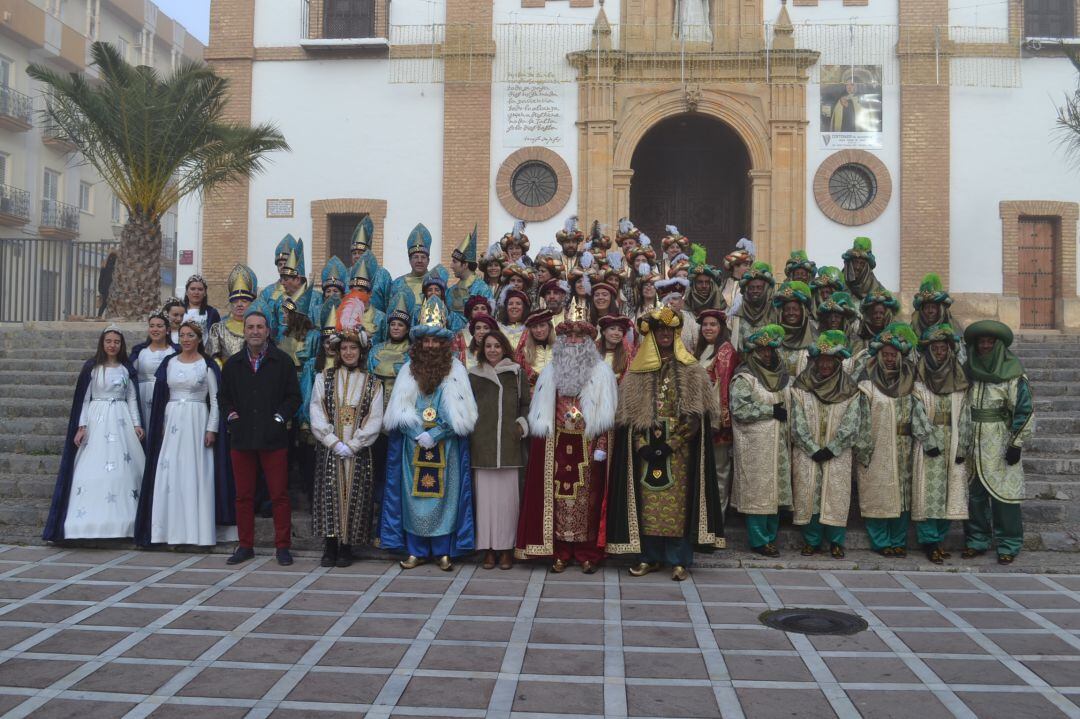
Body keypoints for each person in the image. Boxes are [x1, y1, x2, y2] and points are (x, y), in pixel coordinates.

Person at [607, 307, 724, 580]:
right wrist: (640, 445)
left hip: (679, 449)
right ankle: (649, 557)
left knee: (678, 504)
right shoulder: (636, 371)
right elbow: (628, 415)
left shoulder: (691, 369)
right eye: (659, 331)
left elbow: (697, 415)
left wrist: (673, 442)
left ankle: (678, 558)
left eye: (668, 331)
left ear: (675, 334)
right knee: (646, 504)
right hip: (645, 447)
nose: (663, 335)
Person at [381, 296, 478, 570]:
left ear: (444, 343)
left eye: (436, 341)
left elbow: (463, 414)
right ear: (420, 343)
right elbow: (399, 409)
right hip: (413, 447)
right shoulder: (407, 372)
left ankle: (442, 551)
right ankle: (416, 550)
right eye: (426, 340)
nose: (431, 345)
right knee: (414, 497)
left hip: (445, 446)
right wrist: (416, 433)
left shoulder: (457, 370)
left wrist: (435, 435)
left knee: (445, 497)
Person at [516, 312, 617, 573]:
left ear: (588, 341)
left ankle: (586, 552)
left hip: (588, 445)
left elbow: (607, 416)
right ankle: (560, 552)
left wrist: (602, 446)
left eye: (579, 336)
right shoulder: (550, 372)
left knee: (588, 502)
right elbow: (541, 411)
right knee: (558, 500)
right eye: (568, 336)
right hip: (557, 445)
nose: (573, 340)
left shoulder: (602, 372)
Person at [135, 321, 234, 547]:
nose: (187, 339)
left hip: (197, 418)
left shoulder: (207, 366)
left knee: (194, 471)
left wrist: (212, 428)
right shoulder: (169, 364)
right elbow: (162, 397)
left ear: (199, 339)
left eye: (191, 335)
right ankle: (167, 531)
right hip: (172, 421)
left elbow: (216, 400)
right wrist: (160, 425)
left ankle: (196, 532)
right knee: (170, 472)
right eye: (183, 335)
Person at [43, 326, 145, 541]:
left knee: (124, 469)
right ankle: (85, 522)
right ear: (102, 343)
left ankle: (123, 523)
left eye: (116, 341)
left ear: (121, 345)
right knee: (90, 469)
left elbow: (132, 398)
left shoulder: (126, 369)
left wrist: (137, 424)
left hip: (120, 418)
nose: (112, 345)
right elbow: (85, 399)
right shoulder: (92, 368)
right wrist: (82, 426)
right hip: (97, 419)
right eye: (108, 341)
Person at [219, 310, 302, 566]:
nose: (255, 331)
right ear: (244, 331)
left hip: (273, 438)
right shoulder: (233, 364)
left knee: (279, 495)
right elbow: (224, 398)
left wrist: (279, 419)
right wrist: (233, 417)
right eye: (250, 327)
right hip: (242, 438)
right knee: (243, 496)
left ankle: (282, 547)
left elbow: (293, 397)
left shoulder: (282, 361)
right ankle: (245, 545)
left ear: (268, 331)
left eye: (260, 327)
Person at [309, 298, 385, 568]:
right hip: (331, 447)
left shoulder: (373, 383)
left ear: (361, 351)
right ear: (337, 350)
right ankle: (329, 545)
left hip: (358, 449)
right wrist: (331, 440)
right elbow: (316, 410)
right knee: (329, 492)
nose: (349, 352)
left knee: (356, 494)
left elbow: (375, 418)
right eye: (344, 347)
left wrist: (354, 444)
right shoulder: (324, 378)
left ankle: (347, 546)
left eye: (354, 347)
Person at [855, 323, 939, 558]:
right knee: (878, 493)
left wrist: (927, 439)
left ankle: (898, 540)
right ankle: (881, 541)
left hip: (905, 445)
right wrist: (862, 449)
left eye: (894, 355)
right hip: (877, 445)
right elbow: (860, 418)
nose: (890, 359)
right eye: (886, 354)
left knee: (902, 495)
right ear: (879, 356)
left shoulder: (909, 381)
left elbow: (919, 413)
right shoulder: (867, 384)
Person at [790, 330, 868, 559]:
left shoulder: (850, 389)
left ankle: (836, 541)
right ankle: (811, 540)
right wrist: (812, 448)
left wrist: (833, 447)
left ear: (838, 363)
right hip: (808, 451)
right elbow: (797, 420)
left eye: (830, 361)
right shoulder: (801, 385)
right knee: (808, 492)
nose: (825, 365)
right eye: (821, 361)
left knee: (836, 493)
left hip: (838, 452)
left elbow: (853, 422)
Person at [962, 320, 1034, 565]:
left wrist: (1017, 443)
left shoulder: (1013, 374)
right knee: (975, 495)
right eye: (981, 342)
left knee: (1005, 497)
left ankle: (1009, 543)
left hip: (1001, 441)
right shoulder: (968, 370)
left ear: (998, 345)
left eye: (989, 342)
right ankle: (977, 540)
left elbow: (1024, 410)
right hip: (973, 441)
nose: (984, 346)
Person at [469, 330, 530, 570]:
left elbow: (526, 403)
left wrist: (521, 424)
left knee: (508, 503)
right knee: (484, 503)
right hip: (482, 444)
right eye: (488, 346)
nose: (492, 350)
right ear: (482, 349)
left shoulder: (515, 373)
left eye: (497, 346)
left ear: (504, 348)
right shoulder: (473, 375)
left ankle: (506, 549)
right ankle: (488, 549)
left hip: (509, 446)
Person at [731, 325, 792, 556]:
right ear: (752, 352)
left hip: (778, 444)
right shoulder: (745, 376)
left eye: (769, 350)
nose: (766, 354)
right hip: (755, 444)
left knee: (774, 491)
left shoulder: (782, 376)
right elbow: (739, 408)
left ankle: (771, 537)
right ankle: (759, 540)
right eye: (761, 351)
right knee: (758, 492)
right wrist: (769, 411)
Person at [913, 323, 972, 564]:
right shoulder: (919, 383)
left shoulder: (959, 383)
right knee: (929, 493)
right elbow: (916, 414)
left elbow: (965, 415)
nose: (939, 352)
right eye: (935, 348)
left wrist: (962, 447)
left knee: (950, 492)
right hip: (930, 447)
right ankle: (929, 542)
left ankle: (940, 537)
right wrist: (929, 440)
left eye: (943, 348)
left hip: (953, 442)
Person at [695, 308, 738, 512]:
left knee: (720, 470)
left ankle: (718, 517)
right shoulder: (702, 350)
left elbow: (724, 386)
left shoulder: (725, 350)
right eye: (705, 325)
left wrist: (719, 419)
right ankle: (704, 516)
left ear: (721, 328)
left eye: (713, 324)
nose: (708, 328)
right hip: (699, 419)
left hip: (716, 422)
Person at [130, 311, 178, 423]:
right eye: (152, 326)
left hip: (166, 395)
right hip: (143, 395)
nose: (155, 329)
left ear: (168, 330)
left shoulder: (175, 351)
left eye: (159, 326)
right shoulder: (139, 351)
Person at [207, 264, 258, 366]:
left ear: (251, 303)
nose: (239, 304)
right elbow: (213, 356)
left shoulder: (258, 328)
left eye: (244, 301)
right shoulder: (218, 329)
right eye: (235, 301)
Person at [448, 226, 494, 330]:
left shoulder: (483, 289)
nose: (451, 266)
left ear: (465, 265)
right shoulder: (450, 291)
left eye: (455, 262)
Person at [849, 289, 899, 372]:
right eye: (875, 313)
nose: (878, 316)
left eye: (881, 313)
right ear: (868, 315)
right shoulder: (858, 336)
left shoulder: (895, 336)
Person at [349, 216, 392, 312]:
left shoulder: (383, 275)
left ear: (367, 253)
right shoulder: (347, 274)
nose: (356, 256)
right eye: (354, 253)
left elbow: (389, 303)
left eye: (360, 253)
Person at [772, 281, 815, 377]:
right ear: (781, 313)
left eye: (795, 309)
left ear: (803, 312)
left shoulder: (814, 341)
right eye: (787, 309)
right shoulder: (773, 340)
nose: (791, 313)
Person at [730, 261, 775, 351]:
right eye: (751, 288)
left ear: (766, 289)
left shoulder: (775, 312)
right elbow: (735, 346)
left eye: (759, 288)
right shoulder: (737, 316)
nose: (755, 291)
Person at [911, 273, 964, 350]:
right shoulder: (914, 327)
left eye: (933, 307)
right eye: (926, 308)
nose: (930, 311)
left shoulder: (954, 327)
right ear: (922, 311)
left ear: (940, 310)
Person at [390, 223, 433, 306]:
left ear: (428, 261)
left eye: (423, 257)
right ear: (410, 260)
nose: (419, 261)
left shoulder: (436, 283)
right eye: (416, 257)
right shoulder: (398, 284)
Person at [656, 277, 699, 351]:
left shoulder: (690, 319)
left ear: (682, 302)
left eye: (675, 298)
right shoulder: (656, 318)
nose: (671, 302)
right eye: (667, 299)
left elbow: (697, 346)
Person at [516, 309, 555, 390]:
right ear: (530, 331)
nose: (539, 330)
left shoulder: (561, 349)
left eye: (542, 325)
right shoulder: (524, 353)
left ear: (549, 326)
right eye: (534, 327)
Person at [841, 236, 885, 302]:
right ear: (849, 264)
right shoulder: (839, 283)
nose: (857, 267)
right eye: (855, 262)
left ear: (867, 267)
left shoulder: (877, 289)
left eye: (862, 264)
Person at [258, 234, 299, 305]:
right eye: (280, 264)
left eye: (286, 263)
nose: (283, 267)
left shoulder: (312, 295)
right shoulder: (267, 293)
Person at [720, 238, 754, 314]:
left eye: (749, 265)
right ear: (735, 266)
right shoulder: (723, 284)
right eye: (745, 265)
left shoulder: (750, 285)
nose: (749, 268)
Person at [598, 315, 635, 379]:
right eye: (612, 329)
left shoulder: (627, 356)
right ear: (604, 332)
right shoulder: (593, 353)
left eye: (620, 330)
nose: (616, 333)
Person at [96, 250, 117, 317]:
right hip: (111, 289)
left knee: (104, 304)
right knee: (108, 304)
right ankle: (101, 316)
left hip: (105, 289)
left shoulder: (104, 268)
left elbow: (100, 279)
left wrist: (100, 289)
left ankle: (99, 316)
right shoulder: (115, 268)